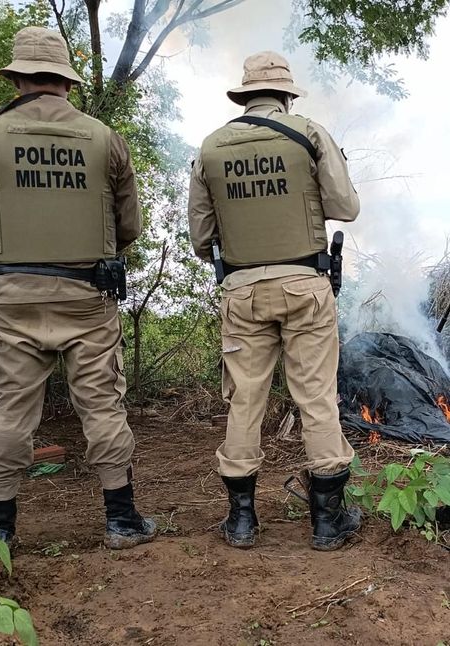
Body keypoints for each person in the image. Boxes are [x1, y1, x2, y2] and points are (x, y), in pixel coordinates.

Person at [0, 26, 156, 550]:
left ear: (16, 78)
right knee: (102, 405)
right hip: (87, 296)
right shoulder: (103, 137)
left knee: (11, 410)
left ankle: (2, 529)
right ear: (66, 82)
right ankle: (121, 520)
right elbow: (130, 227)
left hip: (11, 296)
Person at [188, 51, 361, 551]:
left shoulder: (210, 147)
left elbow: (202, 239)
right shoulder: (308, 133)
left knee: (244, 401)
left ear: (244, 95)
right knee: (316, 399)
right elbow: (345, 207)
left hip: (241, 291)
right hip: (306, 285)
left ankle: (241, 521)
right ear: (287, 95)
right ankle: (327, 523)